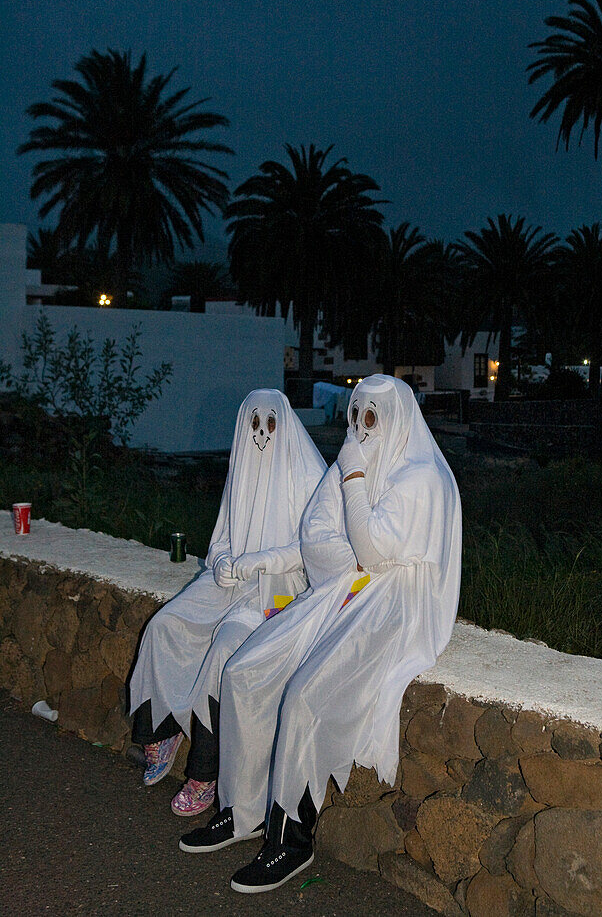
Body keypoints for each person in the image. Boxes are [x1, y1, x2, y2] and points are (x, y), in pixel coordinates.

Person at [179, 375, 461, 894]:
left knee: (306, 696)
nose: (358, 428)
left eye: (369, 417)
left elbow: (374, 553)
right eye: (354, 416)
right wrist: (358, 546)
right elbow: (315, 536)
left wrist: (354, 487)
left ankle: (291, 836)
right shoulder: (354, 461)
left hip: (392, 605)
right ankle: (240, 810)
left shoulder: (418, 477)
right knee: (245, 672)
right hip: (342, 591)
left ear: (394, 417)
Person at [128, 389, 326, 817]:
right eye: (254, 425)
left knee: (225, 647)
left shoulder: (307, 473)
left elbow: (314, 546)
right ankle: (161, 730)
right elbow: (221, 536)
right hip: (233, 579)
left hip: (279, 588)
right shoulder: (243, 468)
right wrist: (219, 561)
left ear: (284, 425)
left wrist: (259, 561)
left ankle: (205, 771)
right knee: (167, 624)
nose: (261, 434)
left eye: (270, 425)